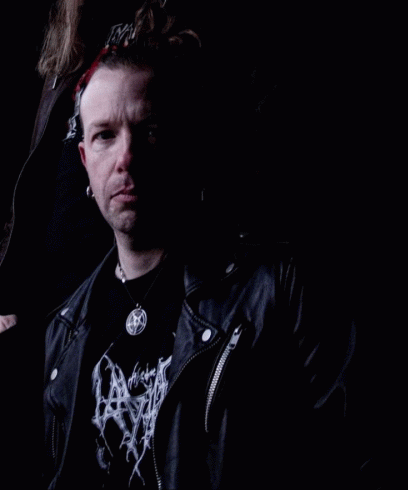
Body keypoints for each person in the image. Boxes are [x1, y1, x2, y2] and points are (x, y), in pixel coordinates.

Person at [40, 41, 360, 489]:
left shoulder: (276, 288)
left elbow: (353, 453)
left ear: (183, 145)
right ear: (85, 160)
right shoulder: (65, 331)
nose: (126, 157)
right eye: (105, 136)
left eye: (149, 130)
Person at [0, 0, 203, 342]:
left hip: (140, 298)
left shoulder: (198, 31)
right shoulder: (75, 30)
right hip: (42, 301)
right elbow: (35, 171)